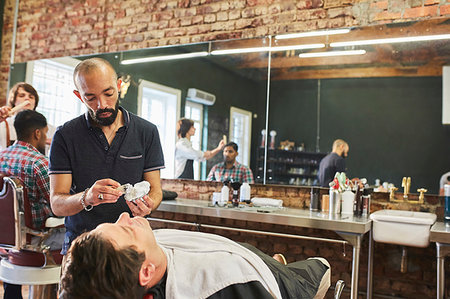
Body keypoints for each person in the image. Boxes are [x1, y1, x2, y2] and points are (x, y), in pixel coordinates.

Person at [60, 212, 330, 299]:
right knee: (322, 265)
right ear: (146, 272)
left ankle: (272, 264)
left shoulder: (141, 263)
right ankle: (275, 266)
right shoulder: (226, 281)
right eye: (124, 230)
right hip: (268, 280)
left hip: (250, 265)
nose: (124, 216)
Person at [48, 57, 165, 255]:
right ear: (79, 96)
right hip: (82, 243)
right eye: (90, 98)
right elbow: (57, 204)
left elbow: (156, 190)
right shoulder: (65, 135)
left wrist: (149, 204)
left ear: (119, 86)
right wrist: (87, 197)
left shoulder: (147, 132)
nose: (102, 104)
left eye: (108, 93)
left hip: (131, 242)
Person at [0, 110, 64, 299]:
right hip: (35, 239)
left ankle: (12, 291)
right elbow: (57, 206)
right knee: (80, 234)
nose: (45, 138)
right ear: (37, 133)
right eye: (45, 133)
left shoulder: (1, 156)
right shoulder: (40, 163)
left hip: (6, 239)